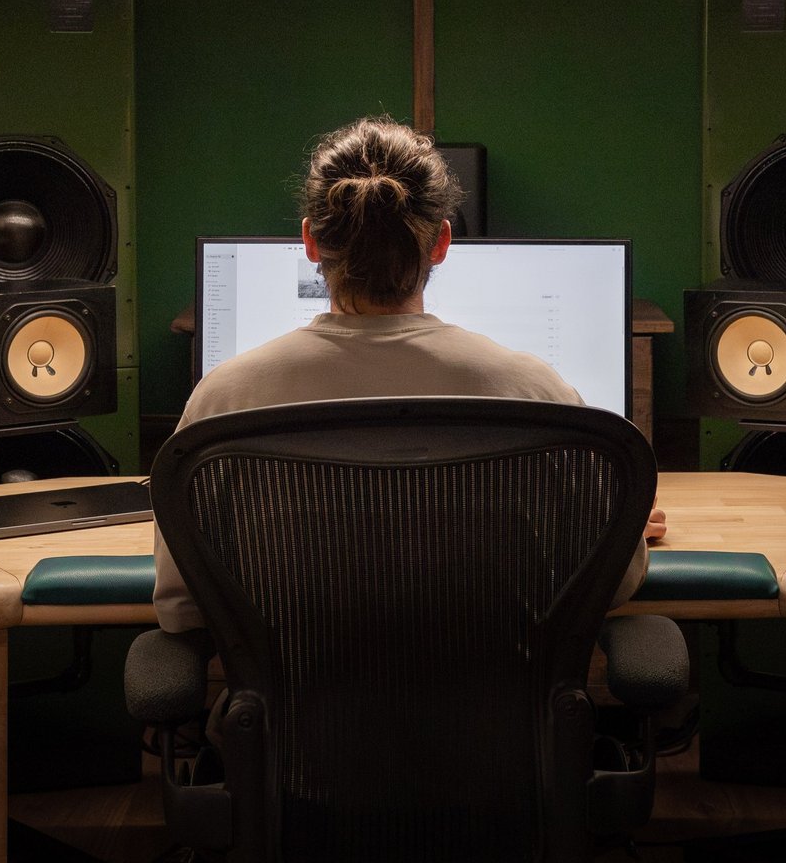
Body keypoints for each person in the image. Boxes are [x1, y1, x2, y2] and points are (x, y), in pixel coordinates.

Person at [152, 115, 666, 632]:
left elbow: (181, 608)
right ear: (442, 242)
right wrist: (620, 529)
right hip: (493, 710)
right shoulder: (537, 392)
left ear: (310, 241)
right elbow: (615, 583)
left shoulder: (224, 399)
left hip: (293, 710)